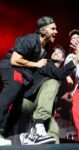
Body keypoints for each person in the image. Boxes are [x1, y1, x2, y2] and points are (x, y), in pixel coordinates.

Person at [0, 16, 58, 145]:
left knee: (17, 106)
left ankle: (3, 134)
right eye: (53, 28)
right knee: (12, 89)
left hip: (24, 74)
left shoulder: (45, 48)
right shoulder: (30, 39)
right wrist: (36, 64)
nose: (56, 31)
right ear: (43, 30)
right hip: (11, 67)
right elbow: (14, 60)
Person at [19, 45, 79, 145]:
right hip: (29, 101)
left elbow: (51, 95)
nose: (55, 53)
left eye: (59, 53)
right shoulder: (47, 63)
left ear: (63, 59)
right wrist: (78, 58)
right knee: (53, 82)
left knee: (54, 133)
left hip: (40, 109)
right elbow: (59, 74)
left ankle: (31, 136)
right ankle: (37, 129)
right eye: (54, 51)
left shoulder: (58, 75)